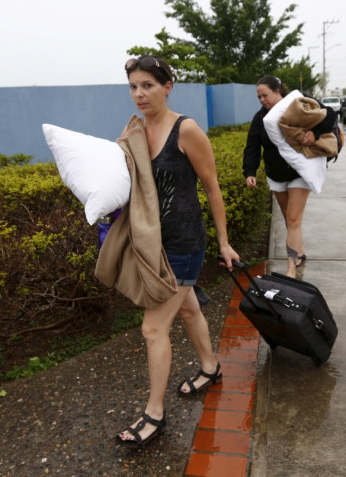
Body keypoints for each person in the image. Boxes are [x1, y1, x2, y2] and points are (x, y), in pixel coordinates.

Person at [115, 55, 239, 449]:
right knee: (189, 309)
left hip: (184, 244)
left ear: (168, 86)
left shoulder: (185, 130)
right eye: (134, 86)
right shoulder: (134, 130)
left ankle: (154, 414)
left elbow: (212, 187)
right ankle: (210, 368)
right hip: (153, 244)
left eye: (148, 85)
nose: (139, 94)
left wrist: (223, 241)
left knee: (153, 328)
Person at [243, 76, 313, 277]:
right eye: (258, 97)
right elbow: (252, 146)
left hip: (299, 171)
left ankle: (291, 266)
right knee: (289, 218)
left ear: (277, 91)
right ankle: (299, 250)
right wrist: (250, 171)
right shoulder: (260, 119)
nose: (262, 100)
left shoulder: (297, 106)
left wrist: (315, 135)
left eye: (264, 95)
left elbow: (326, 116)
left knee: (292, 219)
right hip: (276, 175)